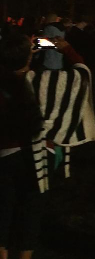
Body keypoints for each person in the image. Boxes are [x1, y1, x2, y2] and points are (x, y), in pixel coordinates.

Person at [0, 34, 44, 259]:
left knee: (3, 208)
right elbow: (81, 71)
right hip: (29, 155)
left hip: (3, 154)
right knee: (30, 207)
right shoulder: (40, 82)